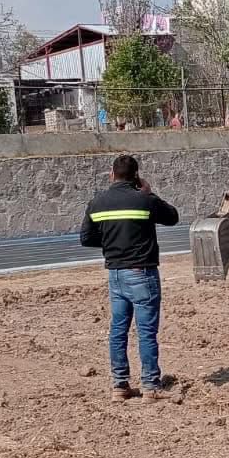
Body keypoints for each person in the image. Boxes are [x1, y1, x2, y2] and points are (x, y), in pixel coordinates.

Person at [80, 153, 180, 401]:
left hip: (115, 274)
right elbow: (172, 217)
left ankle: (120, 386)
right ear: (136, 177)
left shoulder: (97, 203)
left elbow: (86, 238)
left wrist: (113, 244)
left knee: (118, 330)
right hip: (142, 273)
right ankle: (150, 387)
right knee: (146, 332)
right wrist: (149, 192)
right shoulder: (144, 200)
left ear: (111, 175)